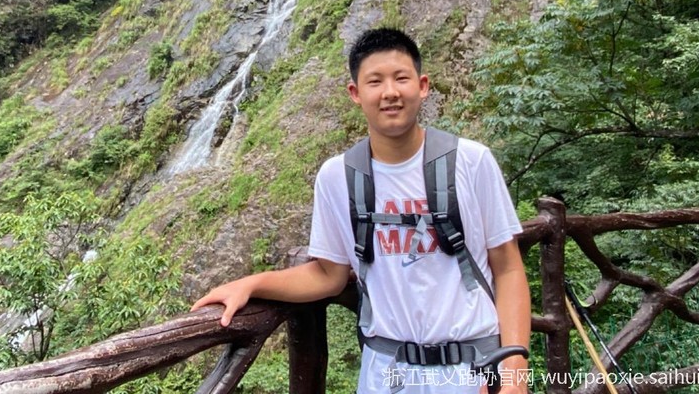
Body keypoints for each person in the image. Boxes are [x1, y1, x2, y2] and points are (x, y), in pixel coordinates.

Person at [192, 27, 530, 393]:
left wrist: (515, 370)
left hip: (473, 371)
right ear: (355, 93)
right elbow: (328, 275)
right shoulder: (337, 176)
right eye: (375, 81)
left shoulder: (471, 161)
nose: (390, 92)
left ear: (423, 86)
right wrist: (251, 284)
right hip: (386, 375)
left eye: (401, 78)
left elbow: (508, 267)